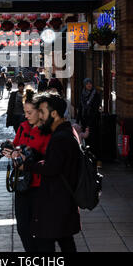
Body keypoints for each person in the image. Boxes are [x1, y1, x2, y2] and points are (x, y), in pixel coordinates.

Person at [23, 92, 81, 252]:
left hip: (56, 202)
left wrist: (28, 165)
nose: (39, 116)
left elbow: (51, 168)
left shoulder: (61, 138)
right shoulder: (65, 132)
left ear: (54, 113)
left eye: (42, 111)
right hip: (62, 201)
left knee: (46, 243)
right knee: (65, 240)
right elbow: (55, 163)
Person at [2, 88, 51, 252]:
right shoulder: (23, 126)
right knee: (23, 228)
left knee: (41, 229)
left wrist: (29, 156)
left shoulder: (47, 131)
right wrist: (10, 149)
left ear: (40, 112)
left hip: (39, 186)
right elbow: (16, 144)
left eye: (30, 112)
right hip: (22, 183)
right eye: (25, 112)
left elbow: (50, 158)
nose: (26, 115)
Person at [76, 78, 102, 164]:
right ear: (85, 85)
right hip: (84, 120)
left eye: (90, 83)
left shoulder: (96, 94)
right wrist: (78, 120)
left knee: (94, 139)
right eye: (87, 84)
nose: (89, 85)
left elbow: (95, 109)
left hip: (93, 121)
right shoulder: (83, 94)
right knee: (86, 139)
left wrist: (90, 122)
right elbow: (80, 107)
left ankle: (95, 159)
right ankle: (88, 157)